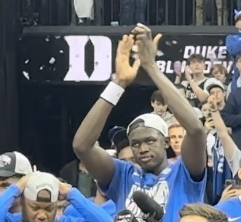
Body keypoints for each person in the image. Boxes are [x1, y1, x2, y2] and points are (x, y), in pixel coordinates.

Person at [72, 27, 207, 222]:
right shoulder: (122, 174)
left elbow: (195, 130)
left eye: (150, 141)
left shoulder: (184, 172)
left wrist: (151, 67)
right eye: (135, 144)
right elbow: (81, 146)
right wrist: (118, 83)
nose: (142, 148)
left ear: (166, 142)